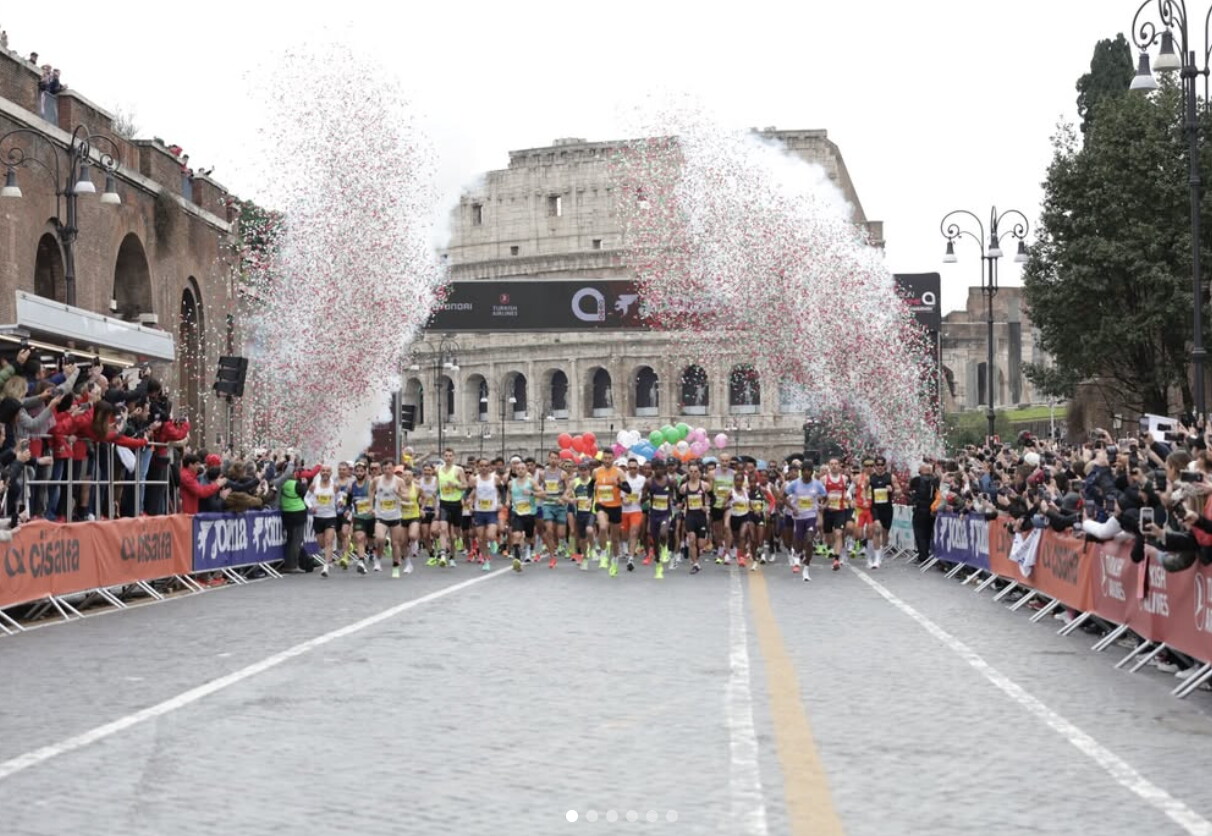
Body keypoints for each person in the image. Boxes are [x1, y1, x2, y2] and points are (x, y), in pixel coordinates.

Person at [783, 463, 826, 581]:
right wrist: (792, 508)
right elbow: (783, 497)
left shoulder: (817, 485)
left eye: (809, 471)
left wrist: (823, 506)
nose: (807, 473)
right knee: (798, 542)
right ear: (802, 472)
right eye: (805, 471)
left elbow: (825, 496)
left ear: (812, 472)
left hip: (811, 516)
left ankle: (806, 568)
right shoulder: (794, 484)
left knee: (809, 539)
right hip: (799, 517)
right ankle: (796, 555)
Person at [305, 464, 342, 577]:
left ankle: (326, 566)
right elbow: (306, 498)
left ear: (331, 473)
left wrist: (340, 501)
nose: (325, 473)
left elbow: (339, 496)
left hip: (330, 517)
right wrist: (311, 507)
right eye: (323, 471)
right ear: (320, 472)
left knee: (328, 541)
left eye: (327, 471)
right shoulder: (314, 485)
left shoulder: (334, 486)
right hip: (318, 517)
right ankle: (327, 558)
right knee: (322, 544)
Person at [594, 449, 626, 575]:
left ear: (613, 458)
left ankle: (615, 559)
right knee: (602, 527)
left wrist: (617, 484)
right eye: (605, 458)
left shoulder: (619, 472)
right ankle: (603, 553)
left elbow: (627, 489)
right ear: (602, 459)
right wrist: (593, 490)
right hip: (601, 505)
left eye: (609, 458)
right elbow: (590, 486)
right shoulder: (596, 471)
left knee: (615, 539)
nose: (607, 460)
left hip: (615, 507)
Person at [643, 459, 674, 579]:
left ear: (664, 469)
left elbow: (672, 494)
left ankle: (665, 548)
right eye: (656, 469)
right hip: (654, 514)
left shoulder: (670, 481)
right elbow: (643, 498)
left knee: (663, 533)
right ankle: (658, 565)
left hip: (665, 513)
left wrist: (672, 500)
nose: (658, 471)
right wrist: (646, 496)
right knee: (654, 540)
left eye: (661, 468)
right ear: (653, 469)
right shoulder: (649, 482)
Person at [506, 458, 539, 572]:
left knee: (529, 536)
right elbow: (509, 493)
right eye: (518, 469)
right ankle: (517, 558)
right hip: (517, 512)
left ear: (526, 470)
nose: (520, 470)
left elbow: (543, 494)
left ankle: (528, 550)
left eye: (522, 468)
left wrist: (532, 493)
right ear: (515, 470)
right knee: (517, 535)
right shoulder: (511, 483)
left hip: (529, 512)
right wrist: (507, 500)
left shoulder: (531, 482)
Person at [867, 456, 900, 569]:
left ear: (885, 466)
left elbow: (899, 491)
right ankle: (876, 559)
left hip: (887, 508)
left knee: (885, 534)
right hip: (875, 508)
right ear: (875, 466)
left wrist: (893, 491)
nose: (880, 467)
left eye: (882, 465)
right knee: (877, 530)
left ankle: (880, 553)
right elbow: (862, 492)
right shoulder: (870, 478)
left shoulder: (891, 477)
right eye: (878, 465)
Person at [471, 458, 503, 571]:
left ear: (489, 467)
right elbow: (468, 493)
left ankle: (493, 541)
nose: (483, 468)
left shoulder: (495, 479)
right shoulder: (475, 480)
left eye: (486, 466)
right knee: (481, 539)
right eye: (481, 466)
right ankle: (486, 560)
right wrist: (467, 501)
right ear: (478, 467)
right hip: (479, 511)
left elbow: (503, 492)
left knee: (490, 535)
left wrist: (501, 503)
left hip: (492, 511)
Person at [435, 448, 466, 563]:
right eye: (446, 456)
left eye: (450, 456)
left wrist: (455, 484)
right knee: (443, 529)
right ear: (443, 457)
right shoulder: (438, 469)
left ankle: (452, 555)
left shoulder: (458, 470)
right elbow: (438, 486)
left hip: (456, 504)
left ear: (454, 457)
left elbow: (465, 485)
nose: (448, 458)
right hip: (444, 503)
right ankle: (443, 554)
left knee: (454, 534)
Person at [909, 462, 940, 564]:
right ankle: (929, 553)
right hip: (932, 510)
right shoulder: (935, 480)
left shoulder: (917, 480)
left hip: (920, 509)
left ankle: (923, 555)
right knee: (929, 532)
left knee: (920, 533)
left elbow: (911, 492)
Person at [621, 457, 647, 570]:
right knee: (624, 535)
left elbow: (645, 494)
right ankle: (624, 547)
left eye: (634, 468)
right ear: (627, 468)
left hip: (636, 510)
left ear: (638, 468)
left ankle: (630, 558)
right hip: (623, 511)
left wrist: (642, 499)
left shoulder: (642, 479)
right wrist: (623, 499)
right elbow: (619, 494)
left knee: (634, 532)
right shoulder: (623, 478)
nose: (632, 470)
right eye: (630, 468)